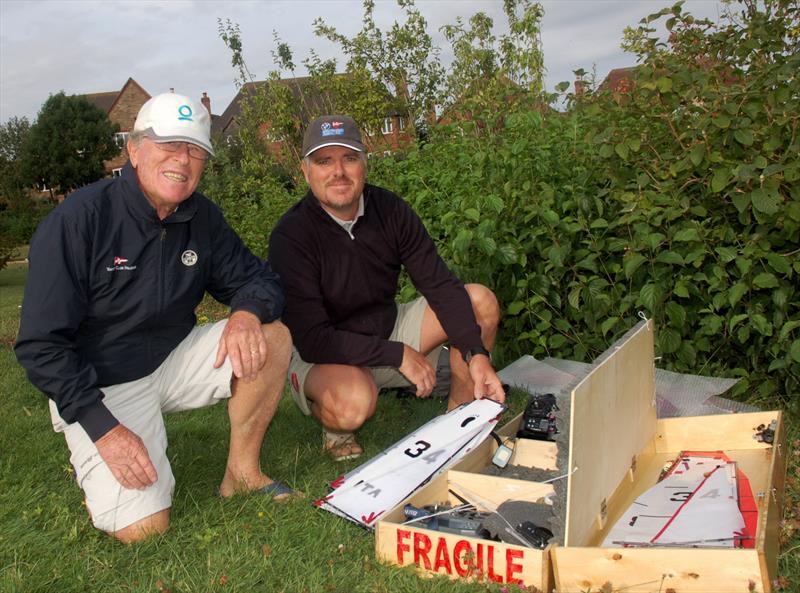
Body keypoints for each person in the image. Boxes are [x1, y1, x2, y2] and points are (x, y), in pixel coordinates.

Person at [15, 92, 294, 543]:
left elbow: (261, 281)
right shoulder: (79, 220)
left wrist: (245, 312)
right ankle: (88, 450)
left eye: (195, 150)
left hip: (170, 359)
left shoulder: (201, 217)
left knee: (272, 336)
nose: (182, 160)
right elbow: (40, 346)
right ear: (134, 148)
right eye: (168, 145)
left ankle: (242, 475)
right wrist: (105, 432)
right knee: (145, 529)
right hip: (101, 383)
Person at [268, 114, 505, 462]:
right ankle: (335, 427)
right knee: (353, 404)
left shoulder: (390, 210)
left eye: (349, 158)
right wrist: (398, 355)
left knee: (479, 301)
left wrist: (477, 353)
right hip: (323, 353)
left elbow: (440, 285)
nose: (338, 171)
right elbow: (313, 339)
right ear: (306, 172)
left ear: (365, 164)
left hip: (386, 328)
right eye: (324, 161)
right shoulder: (291, 236)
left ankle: (458, 416)